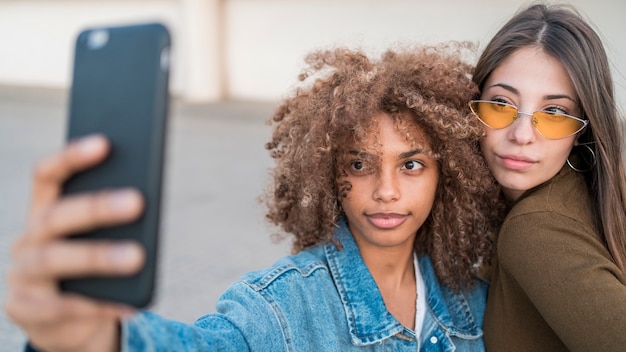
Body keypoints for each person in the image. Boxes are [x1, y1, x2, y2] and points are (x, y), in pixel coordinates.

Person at [5, 43, 503, 351]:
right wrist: (99, 341)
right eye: (359, 164)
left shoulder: (475, 300)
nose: (387, 191)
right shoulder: (279, 307)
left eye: (411, 164)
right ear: (326, 173)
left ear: (449, 175)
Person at [470, 3, 626, 351]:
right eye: (501, 103)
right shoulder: (585, 195)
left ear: (583, 129)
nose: (522, 135)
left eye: (554, 111)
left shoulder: (533, 230)